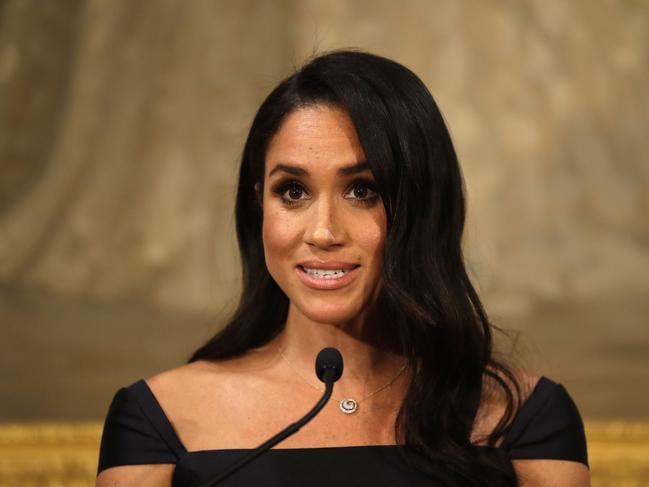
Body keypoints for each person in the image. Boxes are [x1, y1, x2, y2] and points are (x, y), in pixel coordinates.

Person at [96, 50, 589, 487]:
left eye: (363, 191)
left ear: (422, 208)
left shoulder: (526, 418)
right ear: (258, 207)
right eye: (293, 191)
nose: (323, 231)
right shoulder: (159, 418)